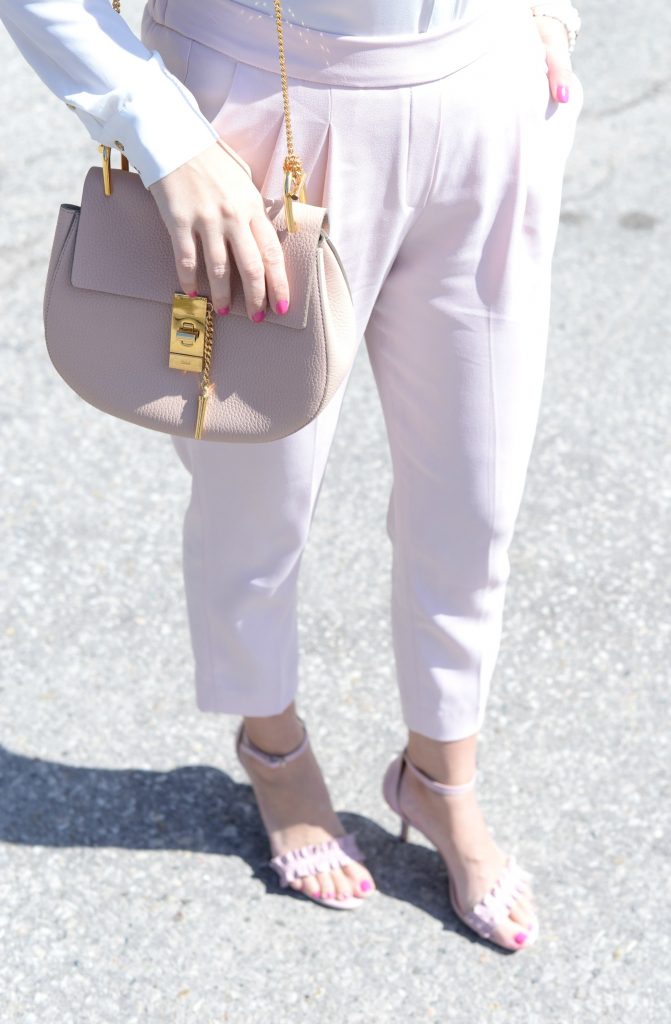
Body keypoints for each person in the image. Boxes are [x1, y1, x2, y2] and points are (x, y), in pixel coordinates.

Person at [0, 0, 583, 950]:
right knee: (256, 510)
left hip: (484, 94)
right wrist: (162, 133)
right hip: (256, 110)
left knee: (476, 502)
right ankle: (271, 747)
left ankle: (441, 780)